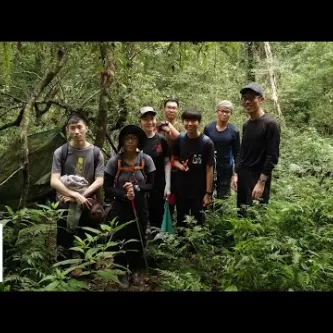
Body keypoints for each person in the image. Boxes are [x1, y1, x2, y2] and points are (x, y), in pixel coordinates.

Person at [103, 125, 156, 287]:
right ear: (122, 141)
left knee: (138, 235)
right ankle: (120, 271)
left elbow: (152, 184)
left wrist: (137, 188)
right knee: (120, 236)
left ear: (139, 141)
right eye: (127, 138)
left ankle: (136, 270)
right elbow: (107, 186)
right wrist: (123, 192)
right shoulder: (114, 161)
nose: (131, 141)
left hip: (140, 204)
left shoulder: (146, 159)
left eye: (134, 138)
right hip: (120, 205)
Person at [50, 111, 105, 262]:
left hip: (88, 204)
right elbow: (54, 181)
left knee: (88, 239)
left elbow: (99, 180)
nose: (76, 131)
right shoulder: (61, 152)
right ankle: (64, 275)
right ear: (67, 129)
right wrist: (74, 195)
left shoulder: (96, 153)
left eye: (79, 127)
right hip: (64, 203)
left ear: (86, 128)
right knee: (64, 241)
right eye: (72, 128)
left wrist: (81, 196)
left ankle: (89, 272)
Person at [233, 83, 281, 216]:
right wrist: (236, 173)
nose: (247, 101)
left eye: (251, 98)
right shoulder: (246, 124)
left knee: (256, 217)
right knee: (241, 214)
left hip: (258, 178)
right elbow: (243, 151)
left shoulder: (270, 124)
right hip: (243, 176)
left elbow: (272, 156)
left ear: (261, 99)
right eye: (244, 98)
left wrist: (261, 182)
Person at [171, 109, 215, 228]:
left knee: (198, 221)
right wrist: (181, 166)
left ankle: (195, 246)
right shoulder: (180, 139)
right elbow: (172, 160)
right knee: (181, 220)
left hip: (199, 189)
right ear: (183, 122)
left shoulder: (207, 143)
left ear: (199, 122)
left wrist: (208, 193)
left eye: (193, 120)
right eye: (187, 120)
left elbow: (209, 169)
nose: (190, 124)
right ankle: (181, 243)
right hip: (181, 188)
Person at [138, 106, 171, 230]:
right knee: (141, 214)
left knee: (157, 215)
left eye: (152, 118)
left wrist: (168, 185)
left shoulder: (161, 139)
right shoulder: (135, 141)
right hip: (140, 185)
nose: (150, 122)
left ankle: (157, 241)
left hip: (158, 183)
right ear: (140, 121)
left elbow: (167, 161)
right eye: (146, 119)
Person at [204, 100, 240, 199]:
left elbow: (237, 152)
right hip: (209, 168)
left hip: (225, 170)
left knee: (222, 198)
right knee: (207, 194)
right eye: (222, 111)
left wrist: (236, 173)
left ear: (231, 114)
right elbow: (203, 147)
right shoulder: (208, 128)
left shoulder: (234, 131)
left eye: (227, 112)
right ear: (217, 111)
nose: (224, 114)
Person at [155, 98, 184, 218]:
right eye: (169, 107)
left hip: (177, 168)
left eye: (174, 108)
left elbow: (183, 140)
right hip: (160, 168)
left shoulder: (182, 127)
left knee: (177, 198)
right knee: (161, 197)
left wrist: (169, 126)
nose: (171, 110)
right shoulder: (157, 125)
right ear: (164, 109)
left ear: (177, 110)